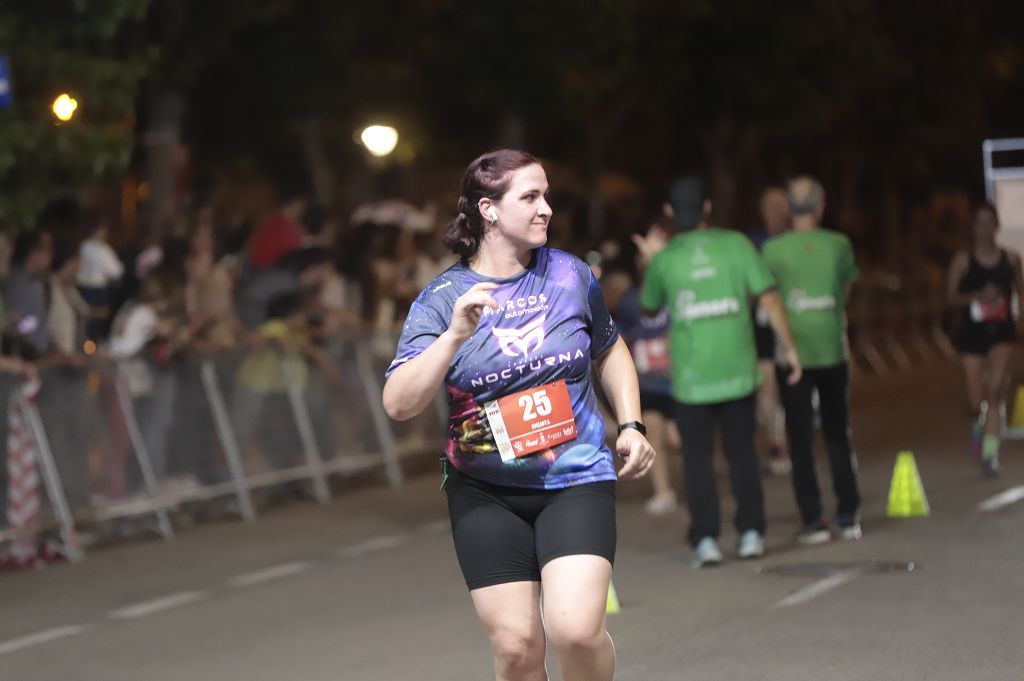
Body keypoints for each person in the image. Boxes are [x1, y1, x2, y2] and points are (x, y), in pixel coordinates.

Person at [383, 149, 654, 681]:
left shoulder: (571, 275)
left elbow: (609, 348)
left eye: (545, 195)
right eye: (530, 197)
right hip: (483, 489)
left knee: (574, 631)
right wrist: (455, 335)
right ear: (488, 209)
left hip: (574, 476)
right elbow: (398, 403)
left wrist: (632, 423)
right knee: (516, 648)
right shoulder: (441, 299)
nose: (545, 208)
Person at [639, 177, 801, 568]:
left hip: (692, 380)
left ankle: (706, 540)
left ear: (669, 214)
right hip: (738, 372)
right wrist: (790, 348)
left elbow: (648, 309)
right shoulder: (737, 245)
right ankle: (751, 534)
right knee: (742, 453)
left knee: (697, 462)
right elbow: (770, 296)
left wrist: (651, 259)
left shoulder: (666, 259)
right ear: (708, 208)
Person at [762, 176, 862, 543]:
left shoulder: (772, 250)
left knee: (800, 439)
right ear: (822, 207)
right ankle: (849, 513)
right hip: (831, 350)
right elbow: (846, 289)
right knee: (838, 433)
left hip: (792, 355)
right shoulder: (839, 245)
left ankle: (813, 520)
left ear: (788, 209)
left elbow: (766, 297)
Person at [947, 202, 1022, 477]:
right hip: (971, 334)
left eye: (989, 221)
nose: (984, 227)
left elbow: (1020, 294)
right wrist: (978, 295)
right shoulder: (963, 260)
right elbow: (951, 297)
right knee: (974, 399)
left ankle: (991, 456)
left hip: (1002, 332)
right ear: (973, 227)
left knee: (996, 390)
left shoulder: (1011, 260)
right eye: (979, 221)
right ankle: (976, 426)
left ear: (997, 226)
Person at [750, 187, 791, 475]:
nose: (774, 211)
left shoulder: (795, 241)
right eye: (768, 205)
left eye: (780, 205)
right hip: (763, 323)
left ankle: (790, 441)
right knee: (767, 386)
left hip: (793, 321)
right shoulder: (754, 244)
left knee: (792, 383)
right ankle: (777, 444)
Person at [76, 216, 124, 341]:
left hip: (80, 290)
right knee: (95, 330)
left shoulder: (81, 247)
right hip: (97, 293)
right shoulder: (102, 249)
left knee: (82, 325)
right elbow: (116, 272)